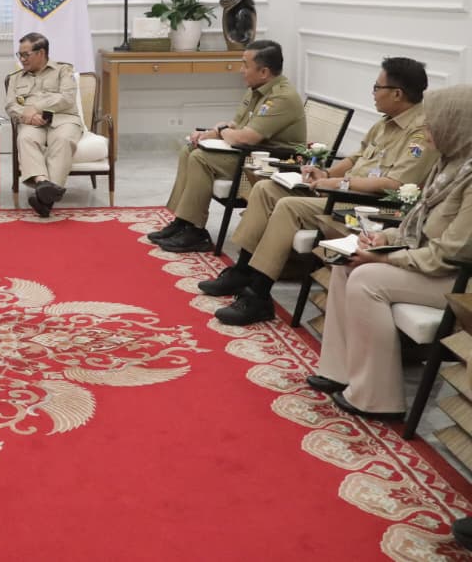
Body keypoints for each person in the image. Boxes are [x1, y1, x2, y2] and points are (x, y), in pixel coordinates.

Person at [208, 57, 437, 325]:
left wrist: (339, 184)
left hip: (369, 207)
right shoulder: (385, 122)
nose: (373, 93)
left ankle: (258, 295)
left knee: (288, 206)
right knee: (266, 188)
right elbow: (355, 159)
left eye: (377, 87)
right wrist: (326, 174)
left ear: (397, 94)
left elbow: (395, 184)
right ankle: (242, 270)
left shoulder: (420, 133)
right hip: (342, 193)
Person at [307, 84, 472, 420]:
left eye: (433, 122)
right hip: (429, 265)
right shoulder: (448, 165)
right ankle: (339, 371)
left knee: (366, 278)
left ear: (455, 124)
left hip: (457, 280)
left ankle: (377, 397)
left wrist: (384, 258)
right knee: (345, 263)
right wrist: (383, 238)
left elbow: (448, 254)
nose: (427, 129)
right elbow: (416, 225)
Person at [151, 40, 307, 253]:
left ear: (264, 72)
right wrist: (208, 134)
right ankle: (182, 221)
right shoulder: (256, 89)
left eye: (245, 65)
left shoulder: (282, 97)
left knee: (200, 159)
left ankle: (195, 232)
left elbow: (245, 138)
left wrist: (222, 129)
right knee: (189, 150)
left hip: (270, 163)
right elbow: (236, 125)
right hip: (251, 154)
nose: (240, 70)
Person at [5, 32, 83, 217]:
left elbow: (67, 98)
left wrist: (35, 107)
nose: (22, 59)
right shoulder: (15, 78)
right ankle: (43, 184)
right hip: (32, 123)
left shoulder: (63, 71)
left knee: (63, 140)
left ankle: (44, 199)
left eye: (26, 54)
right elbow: (11, 106)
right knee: (25, 138)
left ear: (41, 53)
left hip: (64, 119)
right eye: (19, 55)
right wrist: (29, 117)